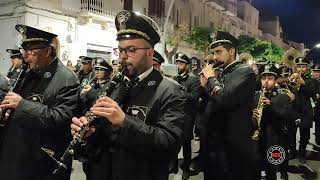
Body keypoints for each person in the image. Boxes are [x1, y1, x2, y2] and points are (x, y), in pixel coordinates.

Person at [71, 10, 185, 180]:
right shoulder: (114, 86)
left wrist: (124, 121)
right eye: (120, 50)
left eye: (131, 50)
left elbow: (169, 143)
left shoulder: (171, 90)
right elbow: (103, 136)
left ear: (150, 53)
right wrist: (89, 134)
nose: (123, 57)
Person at [0, 25, 80, 180]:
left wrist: (22, 105)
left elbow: (60, 118)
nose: (25, 56)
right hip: (16, 155)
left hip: (40, 164)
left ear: (47, 51)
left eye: (30, 51)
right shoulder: (29, 72)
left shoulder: (67, 79)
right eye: (24, 50)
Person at [200, 31, 256, 180]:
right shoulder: (224, 73)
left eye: (219, 52)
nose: (215, 57)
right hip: (216, 141)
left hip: (232, 145)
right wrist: (203, 85)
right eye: (213, 53)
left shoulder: (244, 72)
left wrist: (211, 79)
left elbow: (225, 99)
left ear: (231, 51)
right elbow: (213, 101)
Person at [252, 64, 296, 180]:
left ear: (276, 80)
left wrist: (271, 106)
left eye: (270, 78)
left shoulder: (283, 97)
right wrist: (251, 115)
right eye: (263, 78)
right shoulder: (255, 96)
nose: (266, 81)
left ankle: (282, 173)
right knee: (256, 169)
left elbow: (289, 117)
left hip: (274, 139)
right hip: (257, 140)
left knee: (271, 170)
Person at [174, 52, 200, 179]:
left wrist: (179, 88)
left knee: (186, 143)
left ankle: (186, 168)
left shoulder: (192, 80)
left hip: (187, 116)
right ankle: (173, 164)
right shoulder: (174, 77)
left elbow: (194, 98)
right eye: (177, 63)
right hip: (174, 114)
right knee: (173, 139)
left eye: (181, 63)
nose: (179, 65)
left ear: (187, 65)